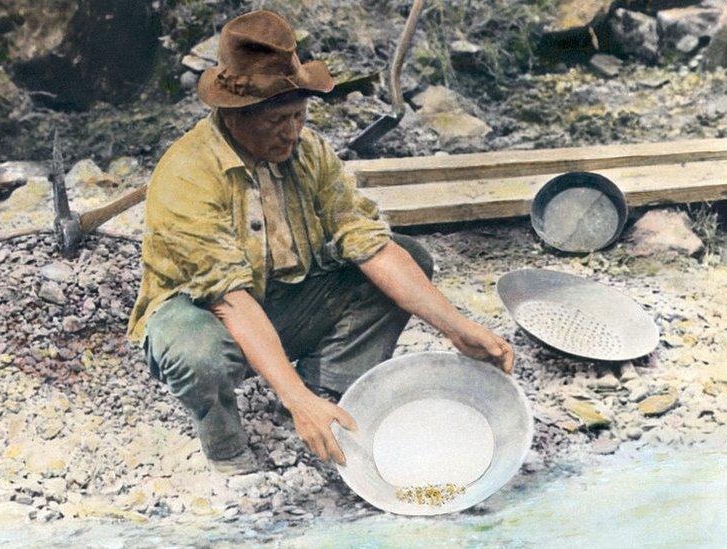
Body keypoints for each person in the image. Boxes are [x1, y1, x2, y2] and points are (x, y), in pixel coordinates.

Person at [126, 10, 513, 474]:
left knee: (409, 258)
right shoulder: (186, 173)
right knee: (198, 355)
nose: (293, 131)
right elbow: (228, 298)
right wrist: (294, 401)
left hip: (283, 298)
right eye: (278, 121)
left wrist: (457, 327)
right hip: (202, 311)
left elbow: (366, 243)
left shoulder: (308, 151)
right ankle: (228, 447)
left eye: (300, 115)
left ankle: (329, 389)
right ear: (233, 115)